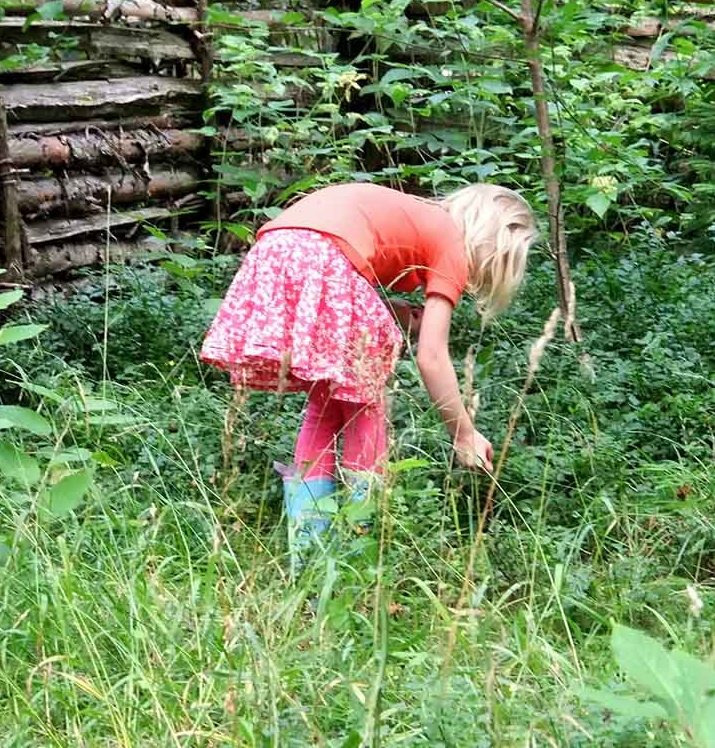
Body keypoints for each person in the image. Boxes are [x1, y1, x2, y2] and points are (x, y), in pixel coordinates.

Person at [200, 182, 537, 576]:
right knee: (365, 401)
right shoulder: (451, 242)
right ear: (493, 244)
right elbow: (432, 356)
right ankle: (358, 553)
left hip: (276, 247)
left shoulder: (415, 216)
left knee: (325, 403)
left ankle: (307, 559)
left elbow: (339, 259)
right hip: (321, 255)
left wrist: (391, 311)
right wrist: (463, 433)